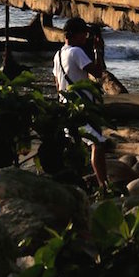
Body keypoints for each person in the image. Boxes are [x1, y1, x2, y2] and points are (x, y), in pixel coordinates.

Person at [53, 17, 109, 188]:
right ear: (76, 34)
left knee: (78, 146)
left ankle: (79, 183)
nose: (86, 37)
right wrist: (98, 51)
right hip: (81, 108)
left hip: (66, 107)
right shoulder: (76, 52)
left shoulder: (58, 54)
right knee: (97, 143)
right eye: (84, 33)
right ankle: (103, 185)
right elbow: (98, 72)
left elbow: (57, 85)